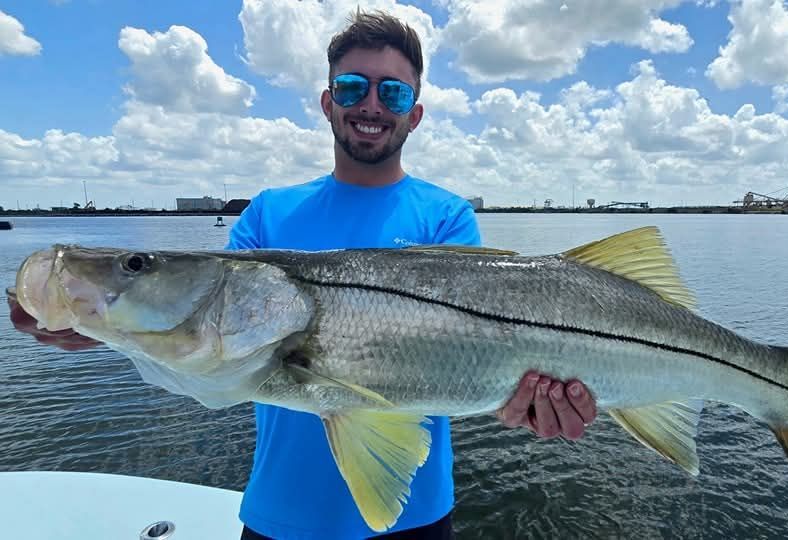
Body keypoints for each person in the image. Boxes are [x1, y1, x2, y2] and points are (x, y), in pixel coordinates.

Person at [8, 11, 598, 539]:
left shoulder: (447, 217)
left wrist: (526, 401)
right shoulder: (267, 213)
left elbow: (480, 353)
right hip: (278, 518)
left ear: (413, 115)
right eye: (352, 87)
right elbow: (210, 372)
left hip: (417, 519)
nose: (371, 105)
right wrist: (107, 331)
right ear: (327, 101)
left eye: (391, 93)